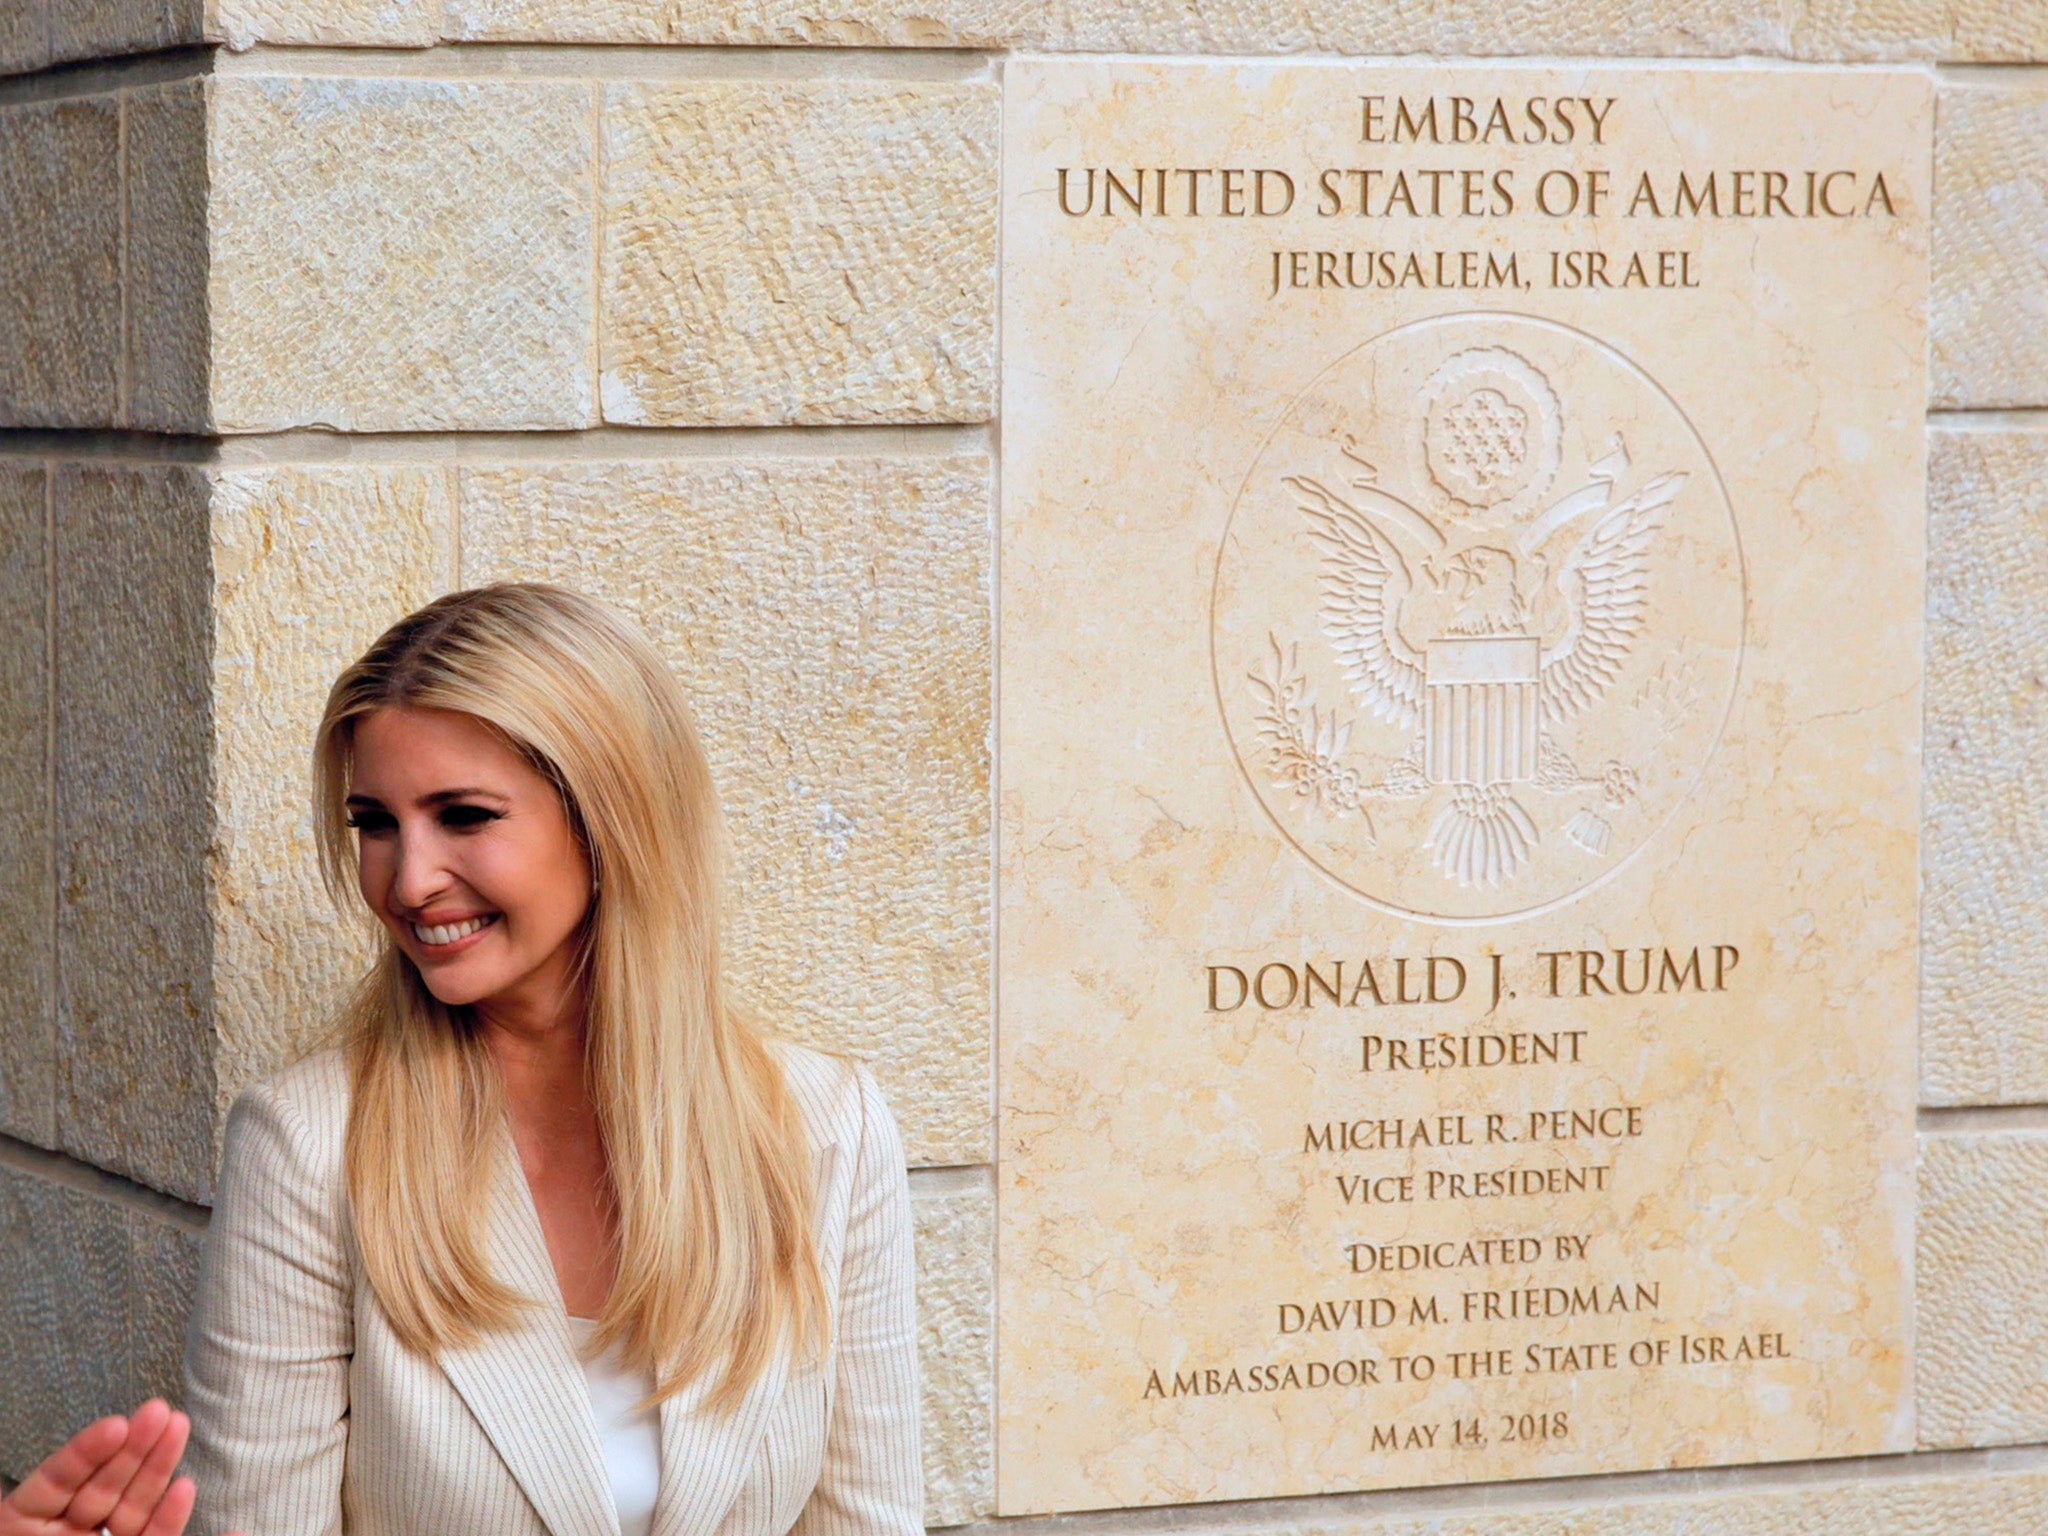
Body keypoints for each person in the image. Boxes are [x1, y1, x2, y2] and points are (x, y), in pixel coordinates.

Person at [1, 583, 922, 1536]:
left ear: (611, 820)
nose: (408, 879)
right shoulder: (312, 1146)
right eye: (376, 823)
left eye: (466, 815)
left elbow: (868, 1518)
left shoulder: (823, 1130)